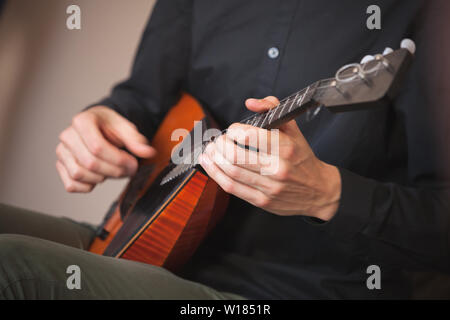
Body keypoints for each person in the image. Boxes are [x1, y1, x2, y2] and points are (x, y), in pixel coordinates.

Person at [0, 0, 449, 299]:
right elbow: (142, 99)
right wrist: (100, 121)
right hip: (142, 240)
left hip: (280, 290)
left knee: (11, 265)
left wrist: (328, 194)